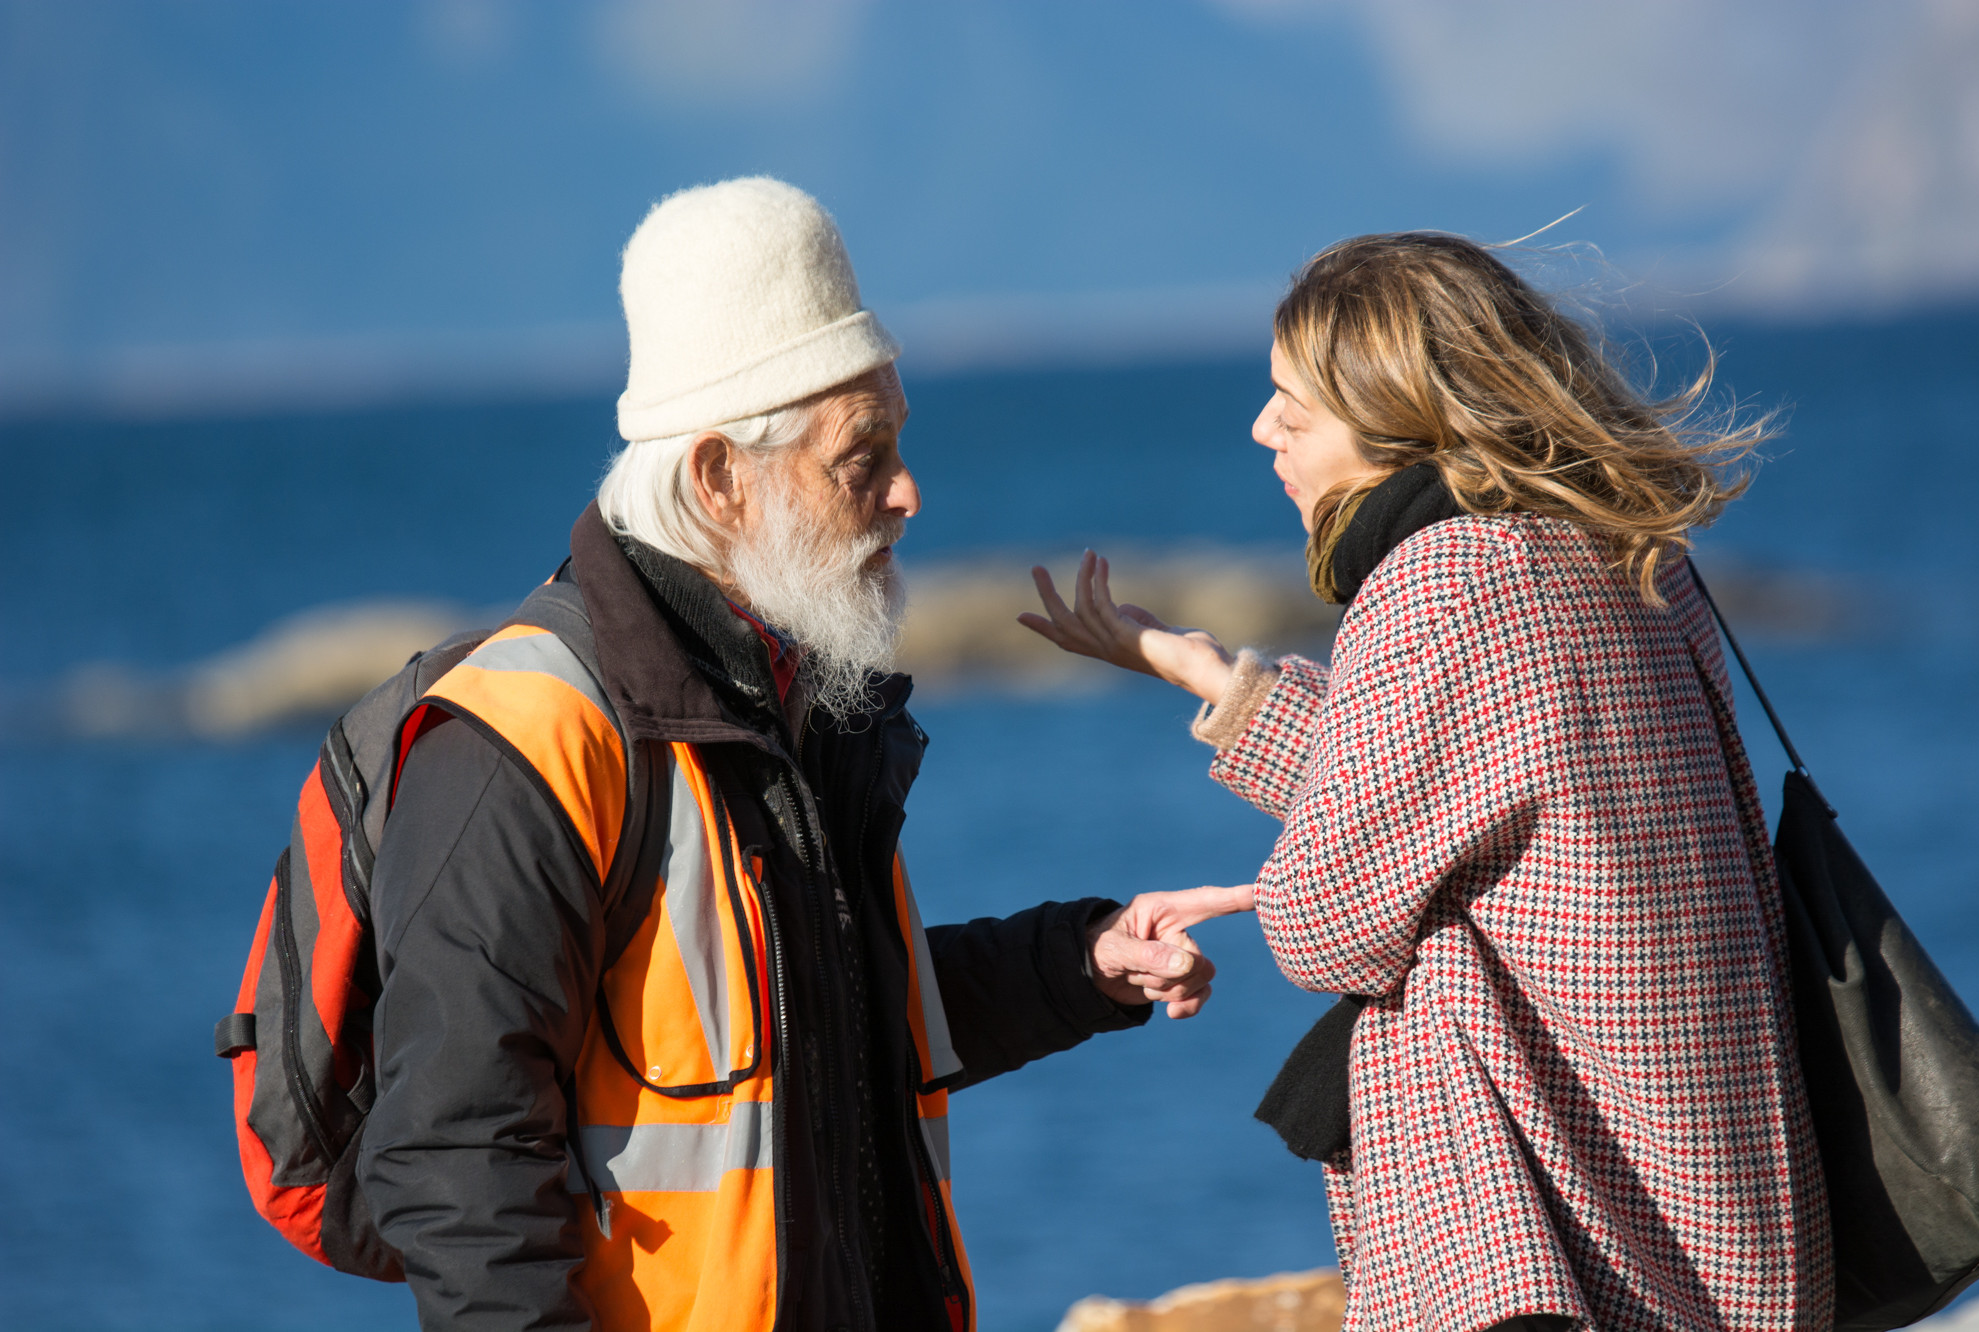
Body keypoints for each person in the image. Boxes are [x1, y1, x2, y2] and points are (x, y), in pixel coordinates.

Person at [358, 177, 1218, 1332]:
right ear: (718, 478)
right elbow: (454, 1163)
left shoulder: (793, 692)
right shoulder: (524, 739)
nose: (908, 494)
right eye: (862, 459)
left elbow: (840, 1021)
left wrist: (1082, 961)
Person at [1022, 234, 1833, 1332]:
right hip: (1707, 1193)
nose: (1263, 430)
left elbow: (1327, 928)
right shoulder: (1616, 548)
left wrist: (1270, 890)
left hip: (1564, 1239)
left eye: (1291, 412)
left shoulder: (1440, 579)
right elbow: (1459, 775)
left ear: (1394, 420)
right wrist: (1202, 670)